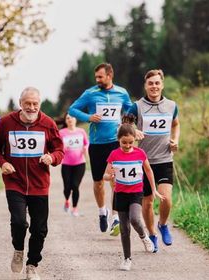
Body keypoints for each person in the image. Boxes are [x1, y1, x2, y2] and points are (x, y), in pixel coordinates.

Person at [0, 87, 64, 280]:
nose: (31, 107)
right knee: (19, 222)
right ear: (20, 104)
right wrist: (3, 162)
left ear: (39, 104)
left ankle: (32, 265)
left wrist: (52, 157)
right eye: (27, 104)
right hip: (15, 182)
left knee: (39, 229)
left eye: (35, 104)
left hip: (39, 184)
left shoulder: (48, 123)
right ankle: (18, 249)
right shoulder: (7, 122)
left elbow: (59, 150)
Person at [68, 62, 132, 235]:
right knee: (98, 183)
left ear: (110, 76)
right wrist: (88, 117)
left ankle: (115, 217)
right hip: (96, 144)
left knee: (115, 180)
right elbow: (72, 109)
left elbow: (130, 110)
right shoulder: (90, 94)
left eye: (100, 77)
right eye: (96, 77)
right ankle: (102, 211)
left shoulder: (122, 93)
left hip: (115, 143)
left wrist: (126, 123)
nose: (97, 80)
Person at [126, 69, 180, 252]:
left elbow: (176, 123)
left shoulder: (172, 106)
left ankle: (163, 225)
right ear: (145, 86)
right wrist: (134, 131)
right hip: (144, 161)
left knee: (166, 198)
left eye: (157, 83)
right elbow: (125, 125)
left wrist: (175, 140)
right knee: (147, 202)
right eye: (151, 83)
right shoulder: (137, 107)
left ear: (162, 85)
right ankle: (152, 234)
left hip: (165, 159)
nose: (154, 86)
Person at [103, 123, 164, 271]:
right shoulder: (114, 155)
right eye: (124, 142)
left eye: (130, 142)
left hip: (136, 193)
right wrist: (108, 176)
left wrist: (154, 189)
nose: (127, 145)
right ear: (118, 140)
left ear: (134, 140)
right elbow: (105, 175)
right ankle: (127, 259)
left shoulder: (140, 153)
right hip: (121, 194)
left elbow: (148, 171)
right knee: (124, 228)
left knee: (136, 219)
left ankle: (144, 237)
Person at [59, 113, 88, 217]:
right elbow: (57, 146)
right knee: (67, 187)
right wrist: (62, 148)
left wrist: (85, 149)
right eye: (67, 118)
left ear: (76, 119)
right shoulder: (61, 132)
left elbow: (86, 143)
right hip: (66, 164)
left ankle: (75, 208)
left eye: (71, 117)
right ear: (65, 121)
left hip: (80, 163)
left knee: (75, 186)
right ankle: (67, 200)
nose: (70, 119)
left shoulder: (81, 131)